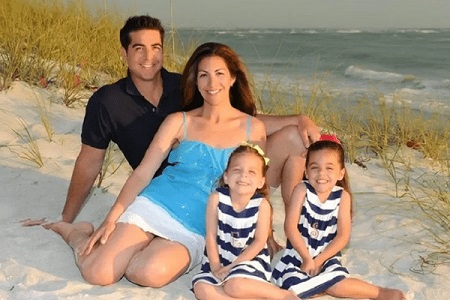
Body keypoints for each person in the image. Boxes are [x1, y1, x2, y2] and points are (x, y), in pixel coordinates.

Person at [21, 15, 320, 230]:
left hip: (220, 173)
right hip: (168, 189)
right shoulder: (107, 101)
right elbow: (89, 163)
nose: (149, 57)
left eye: (156, 47)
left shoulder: (184, 86)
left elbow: (235, 121)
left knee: (294, 138)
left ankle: (294, 233)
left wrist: (298, 118)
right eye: (139, 48)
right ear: (125, 53)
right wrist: (66, 217)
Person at [48, 41, 268, 288]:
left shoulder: (253, 128)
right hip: (156, 205)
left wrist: (265, 237)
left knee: (147, 273)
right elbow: (143, 173)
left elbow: (256, 188)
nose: (211, 83)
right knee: (98, 273)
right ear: (195, 81)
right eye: (203, 75)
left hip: (198, 223)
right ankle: (77, 234)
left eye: (219, 74)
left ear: (232, 79)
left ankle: (134, 249)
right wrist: (112, 218)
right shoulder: (179, 121)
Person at [271, 137, 407, 299]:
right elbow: (290, 228)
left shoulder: (342, 196)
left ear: (341, 173)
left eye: (329, 168)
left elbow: (343, 236)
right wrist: (307, 258)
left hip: (328, 254)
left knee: (337, 284)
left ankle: (380, 292)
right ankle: (321, 286)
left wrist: (320, 259)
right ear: (306, 172)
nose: (321, 174)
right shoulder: (301, 190)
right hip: (298, 253)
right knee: (292, 286)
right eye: (315, 168)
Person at [192, 144, 298, 300]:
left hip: (249, 260)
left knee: (235, 286)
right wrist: (215, 266)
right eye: (237, 170)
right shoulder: (216, 198)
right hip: (218, 258)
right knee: (201, 289)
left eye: (251, 172)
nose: (244, 176)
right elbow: (211, 235)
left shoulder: (261, 205)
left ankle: (283, 295)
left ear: (261, 182)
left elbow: (259, 242)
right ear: (226, 176)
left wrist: (233, 266)